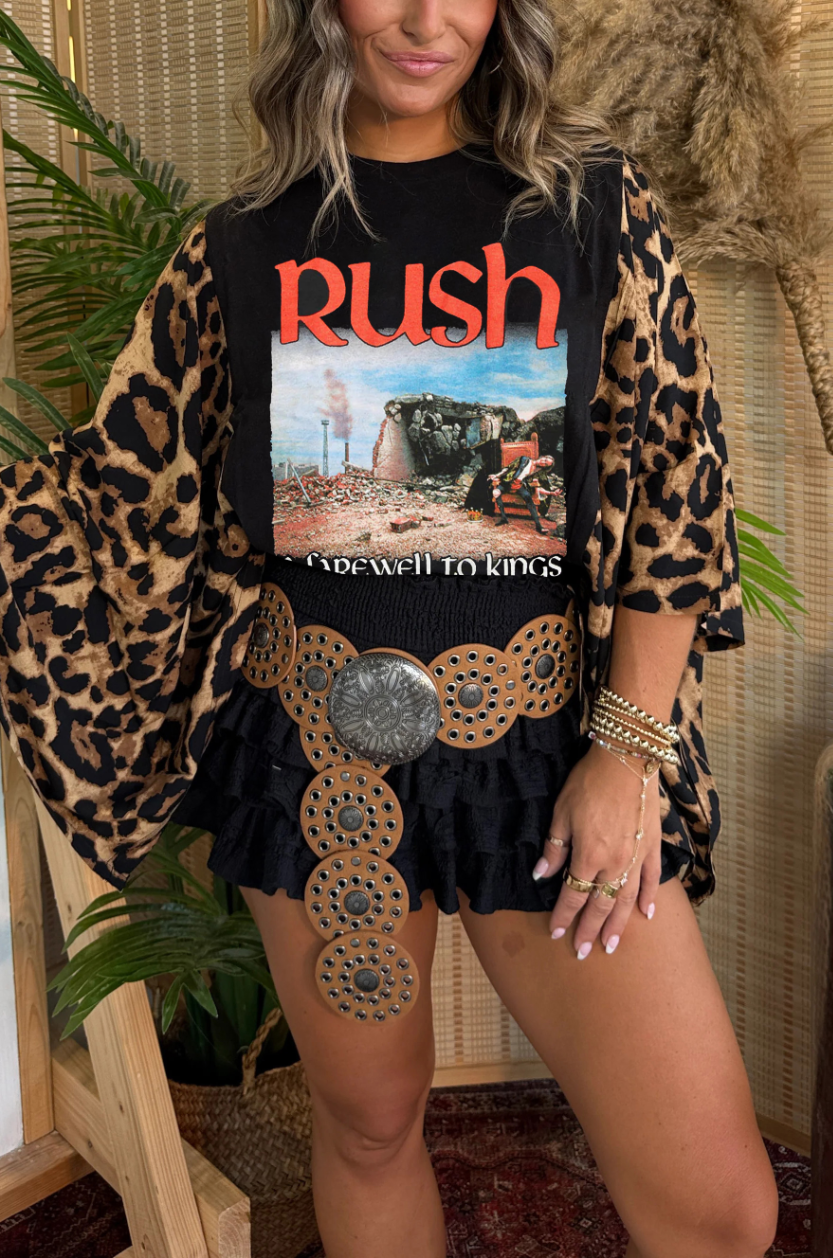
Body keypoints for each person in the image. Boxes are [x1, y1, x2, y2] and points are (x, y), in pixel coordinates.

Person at [0, 2, 779, 1256]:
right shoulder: (238, 244)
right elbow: (118, 497)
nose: (424, 21)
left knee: (720, 1209)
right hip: (317, 760)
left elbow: (675, 480)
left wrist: (626, 750)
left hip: (549, 750)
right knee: (366, 1126)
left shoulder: (588, 204)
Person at [489, 452, 557, 532]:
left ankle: (539, 526)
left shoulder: (537, 471)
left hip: (519, 485)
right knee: (496, 493)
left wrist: (552, 492)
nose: (543, 462)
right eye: (545, 460)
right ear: (543, 456)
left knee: (528, 498)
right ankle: (504, 518)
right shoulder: (524, 459)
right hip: (508, 481)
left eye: (545, 464)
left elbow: (542, 483)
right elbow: (508, 468)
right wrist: (496, 475)